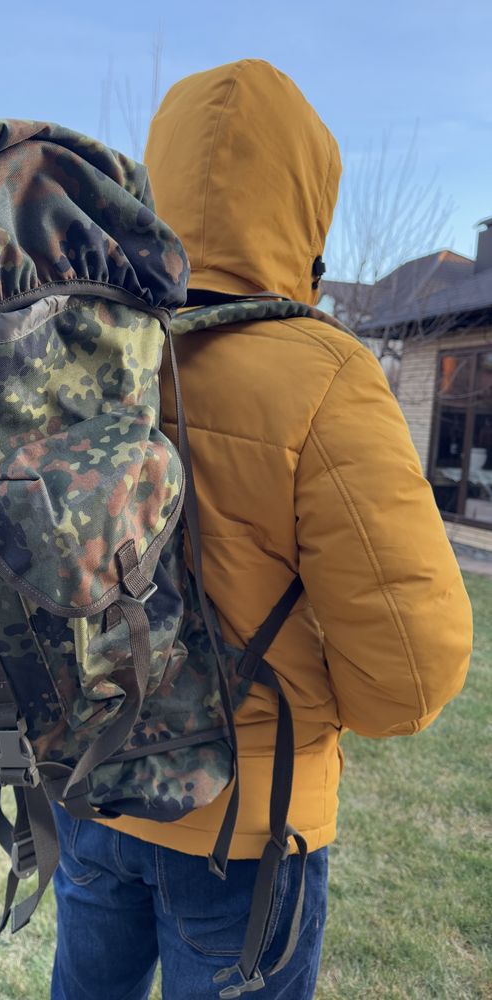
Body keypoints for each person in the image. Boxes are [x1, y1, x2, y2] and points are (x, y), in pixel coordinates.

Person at [49, 60, 472, 1000]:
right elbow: (409, 677)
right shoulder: (324, 376)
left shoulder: (84, 351)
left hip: (92, 788)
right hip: (245, 832)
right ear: (305, 203)